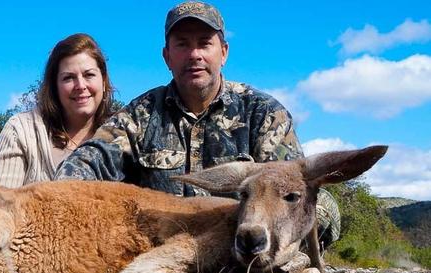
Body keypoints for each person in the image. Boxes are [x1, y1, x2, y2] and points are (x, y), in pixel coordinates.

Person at [56, 1, 340, 247]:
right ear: (167, 56)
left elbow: (293, 188)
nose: (195, 54)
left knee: (323, 208)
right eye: (182, 44)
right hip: (160, 246)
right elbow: (85, 163)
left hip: (242, 242)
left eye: (205, 43)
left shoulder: (263, 113)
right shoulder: (140, 114)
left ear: (224, 52)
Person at [0, 33, 115, 188]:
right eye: (68, 78)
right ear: (54, 86)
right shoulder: (20, 131)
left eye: (89, 75)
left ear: (104, 81)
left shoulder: (125, 135)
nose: (80, 85)